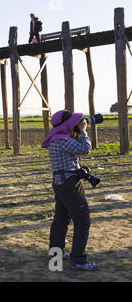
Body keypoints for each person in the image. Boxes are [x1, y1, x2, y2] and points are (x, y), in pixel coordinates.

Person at [42, 110, 99, 271]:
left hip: (60, 183)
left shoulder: (55, 138)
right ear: (66, 124)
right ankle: (78, 260)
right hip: (69, 184)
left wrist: (77, 131)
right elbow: (85, 149)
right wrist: (83, 131)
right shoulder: (62, 140)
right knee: (82, 220)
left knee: (60, 220)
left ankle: (55, 255)